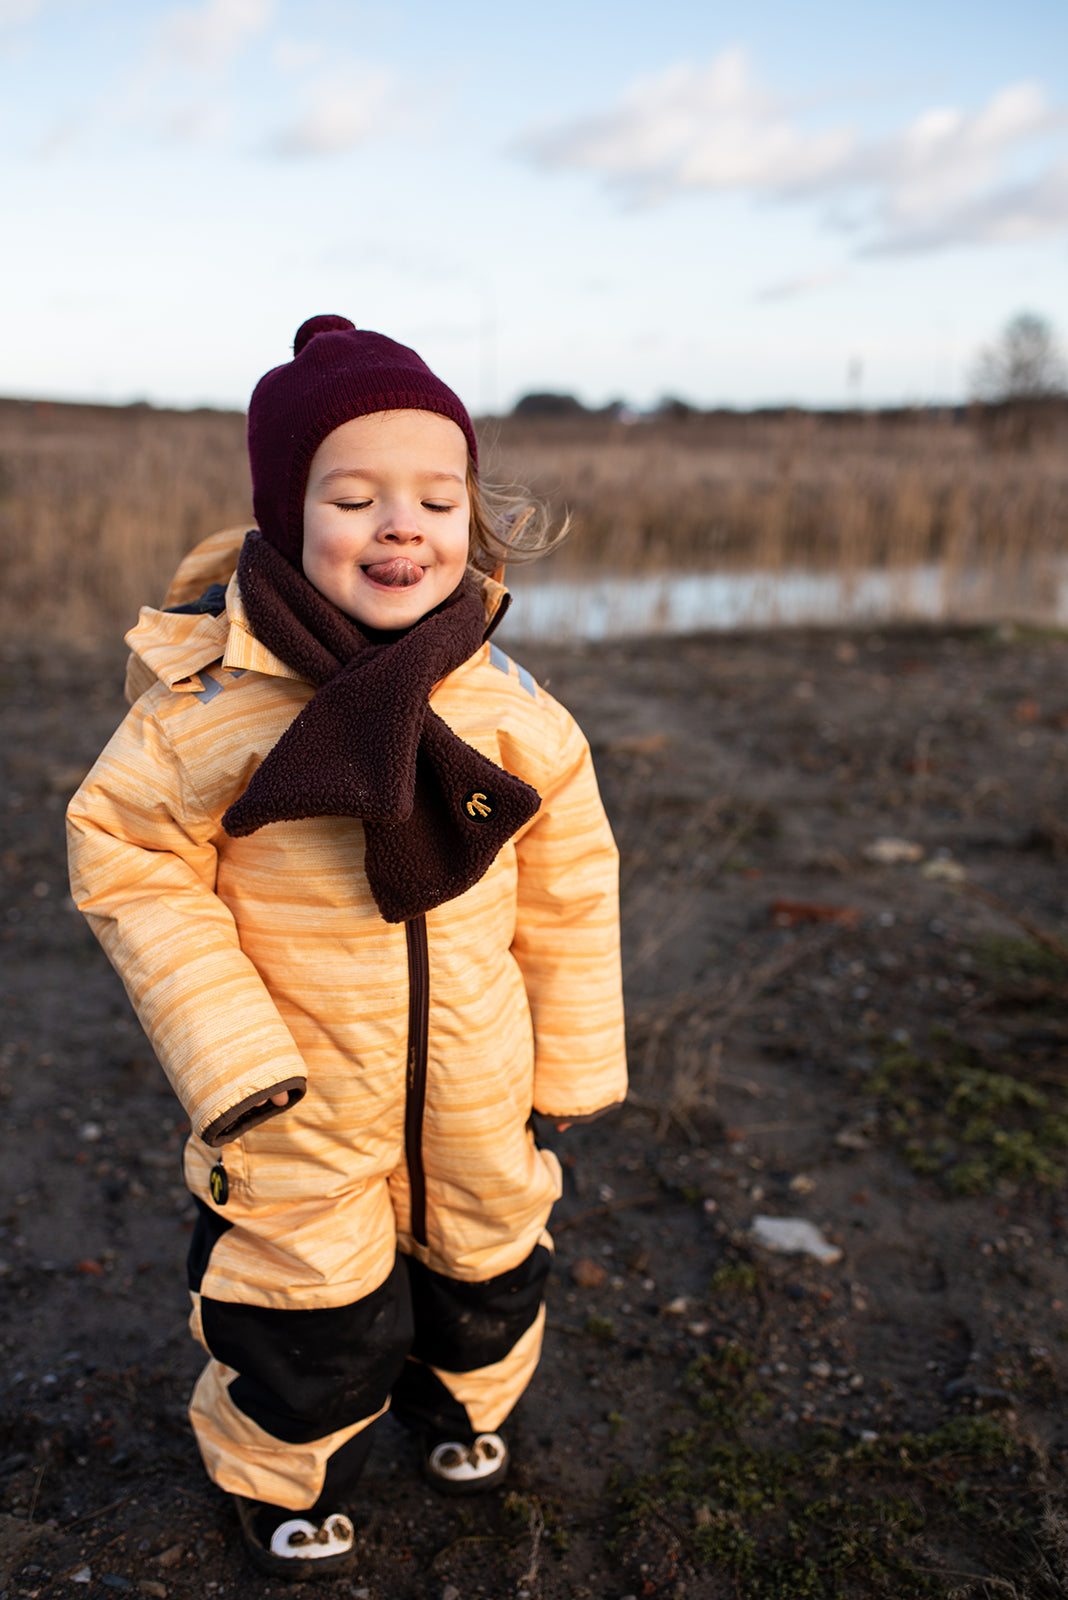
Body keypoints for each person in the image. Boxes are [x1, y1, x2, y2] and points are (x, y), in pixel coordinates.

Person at [66, 315, 627, 1580]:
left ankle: (464, 1405)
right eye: (355, 497)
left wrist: (573, 1056)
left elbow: (571, 884)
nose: (401, 527)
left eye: (437, 497)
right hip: (299, 1088)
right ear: (286, 513)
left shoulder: (507, 705)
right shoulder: (213, 712)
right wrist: (231, 1056)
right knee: (302, 1300)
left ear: (471, 512)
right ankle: (286, 1480)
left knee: (487, 1254)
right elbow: (131, 862)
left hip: (478, 1075)